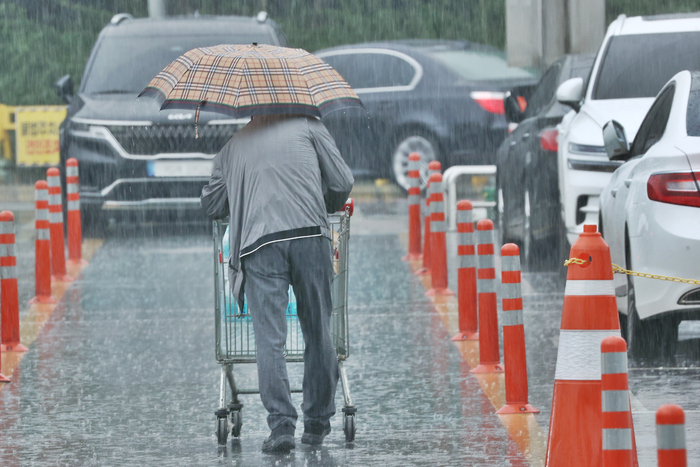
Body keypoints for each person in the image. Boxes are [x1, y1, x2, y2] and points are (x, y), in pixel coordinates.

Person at [201, 114, 354, 453]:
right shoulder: (311, 127)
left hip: (259, 245)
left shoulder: (231, 148)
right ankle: (315, 424)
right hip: (310, 237)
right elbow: (343, 180)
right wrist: (320, 201)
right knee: (318, 330)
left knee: (269, 338)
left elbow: (212, 205)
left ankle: (281, 425)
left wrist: (241, 197)